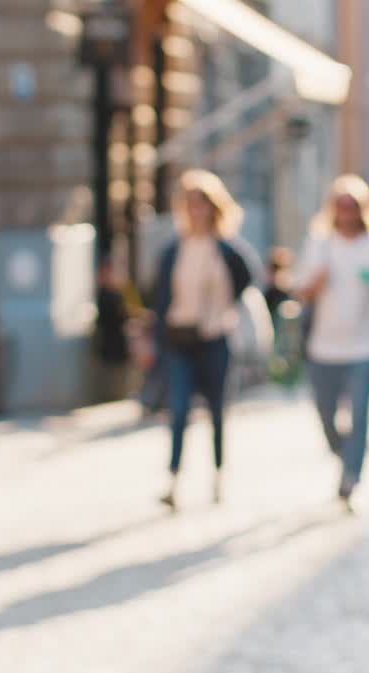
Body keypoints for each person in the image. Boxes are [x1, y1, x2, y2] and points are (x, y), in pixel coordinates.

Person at [295, 175, 369, 505]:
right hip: (323, 348)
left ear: (364, 209)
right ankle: (344, 453)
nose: (346, 211)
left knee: (360, 415)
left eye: (352, 205)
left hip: (364, 348)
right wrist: (314, 283)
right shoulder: (320, 243)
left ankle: (351, 476)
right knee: (326, 417)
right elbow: (299, 293)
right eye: (340, 204)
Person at [152, 170, 257, 511]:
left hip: (215, 338)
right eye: (191, 204)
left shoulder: (227, 249)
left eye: (203, 204)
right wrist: (157, 340)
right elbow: (160, 296)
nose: (197, 211)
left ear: (214, 208)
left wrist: (224, 313)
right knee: (179, 409)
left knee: (216, 410)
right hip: (180, 339)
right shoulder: (174, 250)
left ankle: (217, 474)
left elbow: (248, 280)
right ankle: (174, 477)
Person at [94, 255, 131, 403]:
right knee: (111, 375)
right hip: (109, 341)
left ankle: (117, 398)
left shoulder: (117, 293)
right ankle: (112, 398)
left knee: (118, 373)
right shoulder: (103, 295)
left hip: (117, 341)